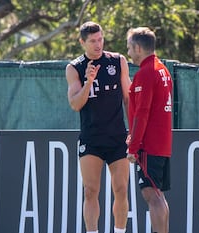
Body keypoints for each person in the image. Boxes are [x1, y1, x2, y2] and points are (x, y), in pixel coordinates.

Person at [65, 21, 131, 233]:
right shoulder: (74, 68)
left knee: (121, 189)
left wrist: (135, 132)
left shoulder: (118, 61)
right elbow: (75, 104)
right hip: (91, 138)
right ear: (82, 42)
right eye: (92, 41)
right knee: (90, 191)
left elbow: (129, 99)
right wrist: (88, 83)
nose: (97, 44)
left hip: (117, 137)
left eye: (100, 39)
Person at [126, 27, 173, 233]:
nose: (128, 53)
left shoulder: (146, 73)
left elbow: (142, 113)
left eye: (129, 48)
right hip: (162, 143)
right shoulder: (162, 69)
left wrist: (133, 147)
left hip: (150, 144)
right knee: (157, 195)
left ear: (138, 47)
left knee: (151, 195)